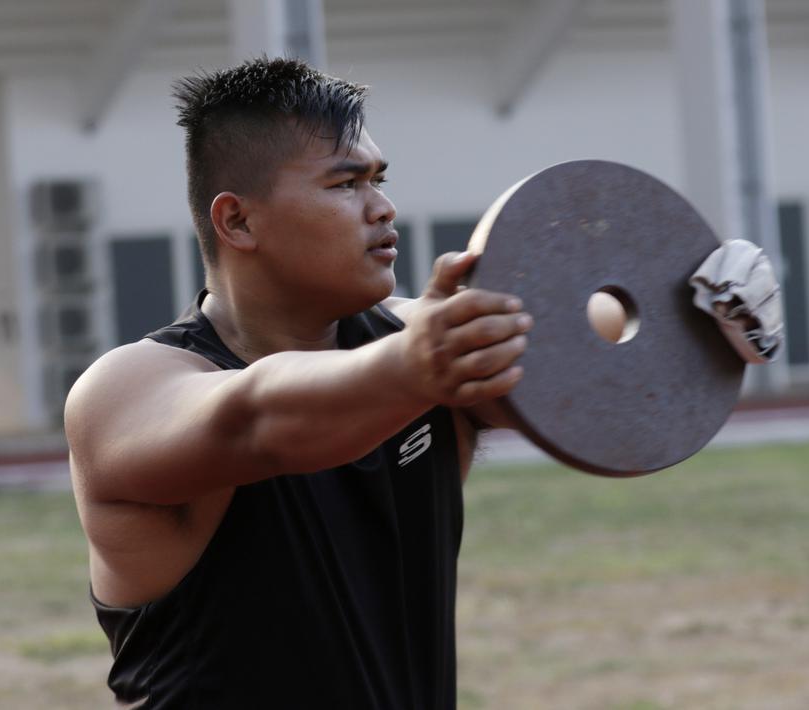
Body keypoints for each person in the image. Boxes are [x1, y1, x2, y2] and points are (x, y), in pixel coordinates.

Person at [65, 57, 531, 708]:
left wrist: (703, 309)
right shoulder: (128, 390)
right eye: (345, 184)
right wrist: (414, 366)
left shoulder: (418, 344)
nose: (384, 208)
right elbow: (255, 417)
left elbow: (586, 340)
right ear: (237, 222)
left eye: (380, 178)